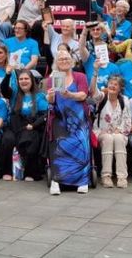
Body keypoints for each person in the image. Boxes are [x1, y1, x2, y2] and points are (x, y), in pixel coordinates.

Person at [46, 50, 91, 195]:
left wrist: (69, 94)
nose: (64, 61)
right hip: (59, 117)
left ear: (72, 61)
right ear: (56, 63)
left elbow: (83, 95)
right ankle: (56, 181)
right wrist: (51, 95)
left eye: (67, 58)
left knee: (81, 142)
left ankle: (82, 181)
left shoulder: (80, 76)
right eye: (61, 59)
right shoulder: (52, 78)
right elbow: (50, 102)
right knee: (59, 144)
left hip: (78, 117)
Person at [0, 70, 48, 181]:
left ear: (32, 81)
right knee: (7, 140)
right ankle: (6, 171)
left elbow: (45, 115)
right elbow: (4, 89)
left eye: (26, 79)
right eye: (21, 79)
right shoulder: (15, 94)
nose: (23, 81)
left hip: (31, 126)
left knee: (30, 141)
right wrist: (8, 75)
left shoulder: (39, 96)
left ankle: (30, 173)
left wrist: (34, 125)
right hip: (15, 125)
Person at [93, 75, 131, 188]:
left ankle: (122, 176)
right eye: (111, 83)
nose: (112, 86)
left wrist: (119, 130)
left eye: (115, 84)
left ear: (120, 88)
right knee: (108, 138)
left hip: (119, 132)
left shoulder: (125, 100)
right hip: (101, 132)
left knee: (118, 138)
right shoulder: (102, 97)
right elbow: (93, 91)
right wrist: (95, 73)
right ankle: (106, 176)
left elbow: (127, 121)